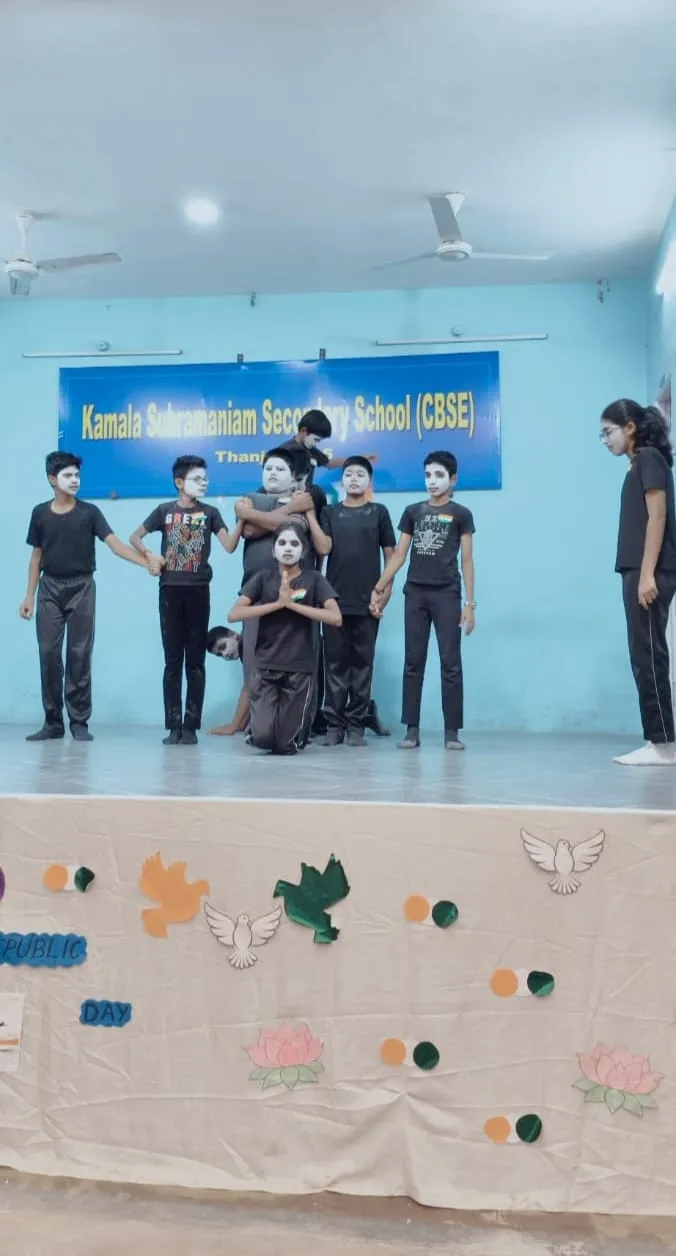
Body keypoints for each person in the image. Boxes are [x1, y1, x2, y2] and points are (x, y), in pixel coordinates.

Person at [20, 451, 159, 742]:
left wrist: (145, 562)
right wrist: (29, 596)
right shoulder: (40, 513)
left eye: (77, 475)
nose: (74, 480)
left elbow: (116, 545)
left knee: (79, 654)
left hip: (81, 587)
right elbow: (36, 557)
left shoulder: (90, 513)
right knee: (48, 654)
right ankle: (53, 722)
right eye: (67, 475)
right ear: (52, 479)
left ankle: (79, 722)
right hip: (49, 588)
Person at [130, 455, 242, 745]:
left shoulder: (211, 513)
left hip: (198, 591)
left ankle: (191, 726)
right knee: (172, 661)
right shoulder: (164, 511)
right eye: (196, 479)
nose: (203, 483)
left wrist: (242, 518)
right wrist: (150, 556)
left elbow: (229, 545)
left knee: (195, 661)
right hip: (170, 590)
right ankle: (173, 726)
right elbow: (135, 537)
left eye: (205, 479)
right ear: (179, 482)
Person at [371, 450, 476, 751]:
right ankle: (411, 730)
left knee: (450, 663)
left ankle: (452, 731)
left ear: (453, 479)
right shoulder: (412, 512)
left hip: (447, 594)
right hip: (415, 594)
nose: (432, 481)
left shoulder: (462, 514)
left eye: (439, 475)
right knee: (413, 661)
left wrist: (470, 604)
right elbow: (399, 554)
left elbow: (467, 560)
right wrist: (380, 585)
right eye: (428, 474)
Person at [601, 398, 676, 766]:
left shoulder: (647, 459)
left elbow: (657, 517)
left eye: (608, 432)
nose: (605, 440)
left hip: (650, 571)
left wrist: (647, 573)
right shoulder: (640, 464)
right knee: (643, 653)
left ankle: (662, 745)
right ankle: (658, 741)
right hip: (638, 569)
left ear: (629, 428)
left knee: (648, 654)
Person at [227, 522, 340, 755]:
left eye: (294, 543)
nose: (288, 548)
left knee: (285, 746)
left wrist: (293, 606)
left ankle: (296, 734)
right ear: (273, 550)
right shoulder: (262, 578)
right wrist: (277, 604)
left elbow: (335, 617)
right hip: (266, 667)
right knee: (263, 738)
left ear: (304, 551)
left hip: (300, 669)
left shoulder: (314, 579)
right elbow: (234, 614)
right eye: (283, 543)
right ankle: (258, 731)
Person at [320, 456, 395, 746]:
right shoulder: (330, 513)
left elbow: (391, 557)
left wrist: (385, 592)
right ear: (342, 479)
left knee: (363, 665)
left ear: (368, 481)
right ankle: (334, 726)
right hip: (334, 602)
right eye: (349, 474)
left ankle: (356, 725)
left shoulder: (379, 512)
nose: (354, 479)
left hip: (368, 601)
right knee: (334, 664)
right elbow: (322, 552)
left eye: (360, 474)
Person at [283, 409, 377, 488]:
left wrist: (360, 459)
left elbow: (329, 463)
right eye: (316, 439)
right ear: (304, 430)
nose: (316, 444)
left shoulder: (311, 450)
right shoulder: (284, 452)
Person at [205, 626, 250, 736]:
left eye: (223, 646)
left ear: (232, 634)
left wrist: (233, 726)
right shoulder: (245, 649)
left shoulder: (249, 644)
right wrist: (240, 724)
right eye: (219, 655)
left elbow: (250, 687)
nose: (225, 654)